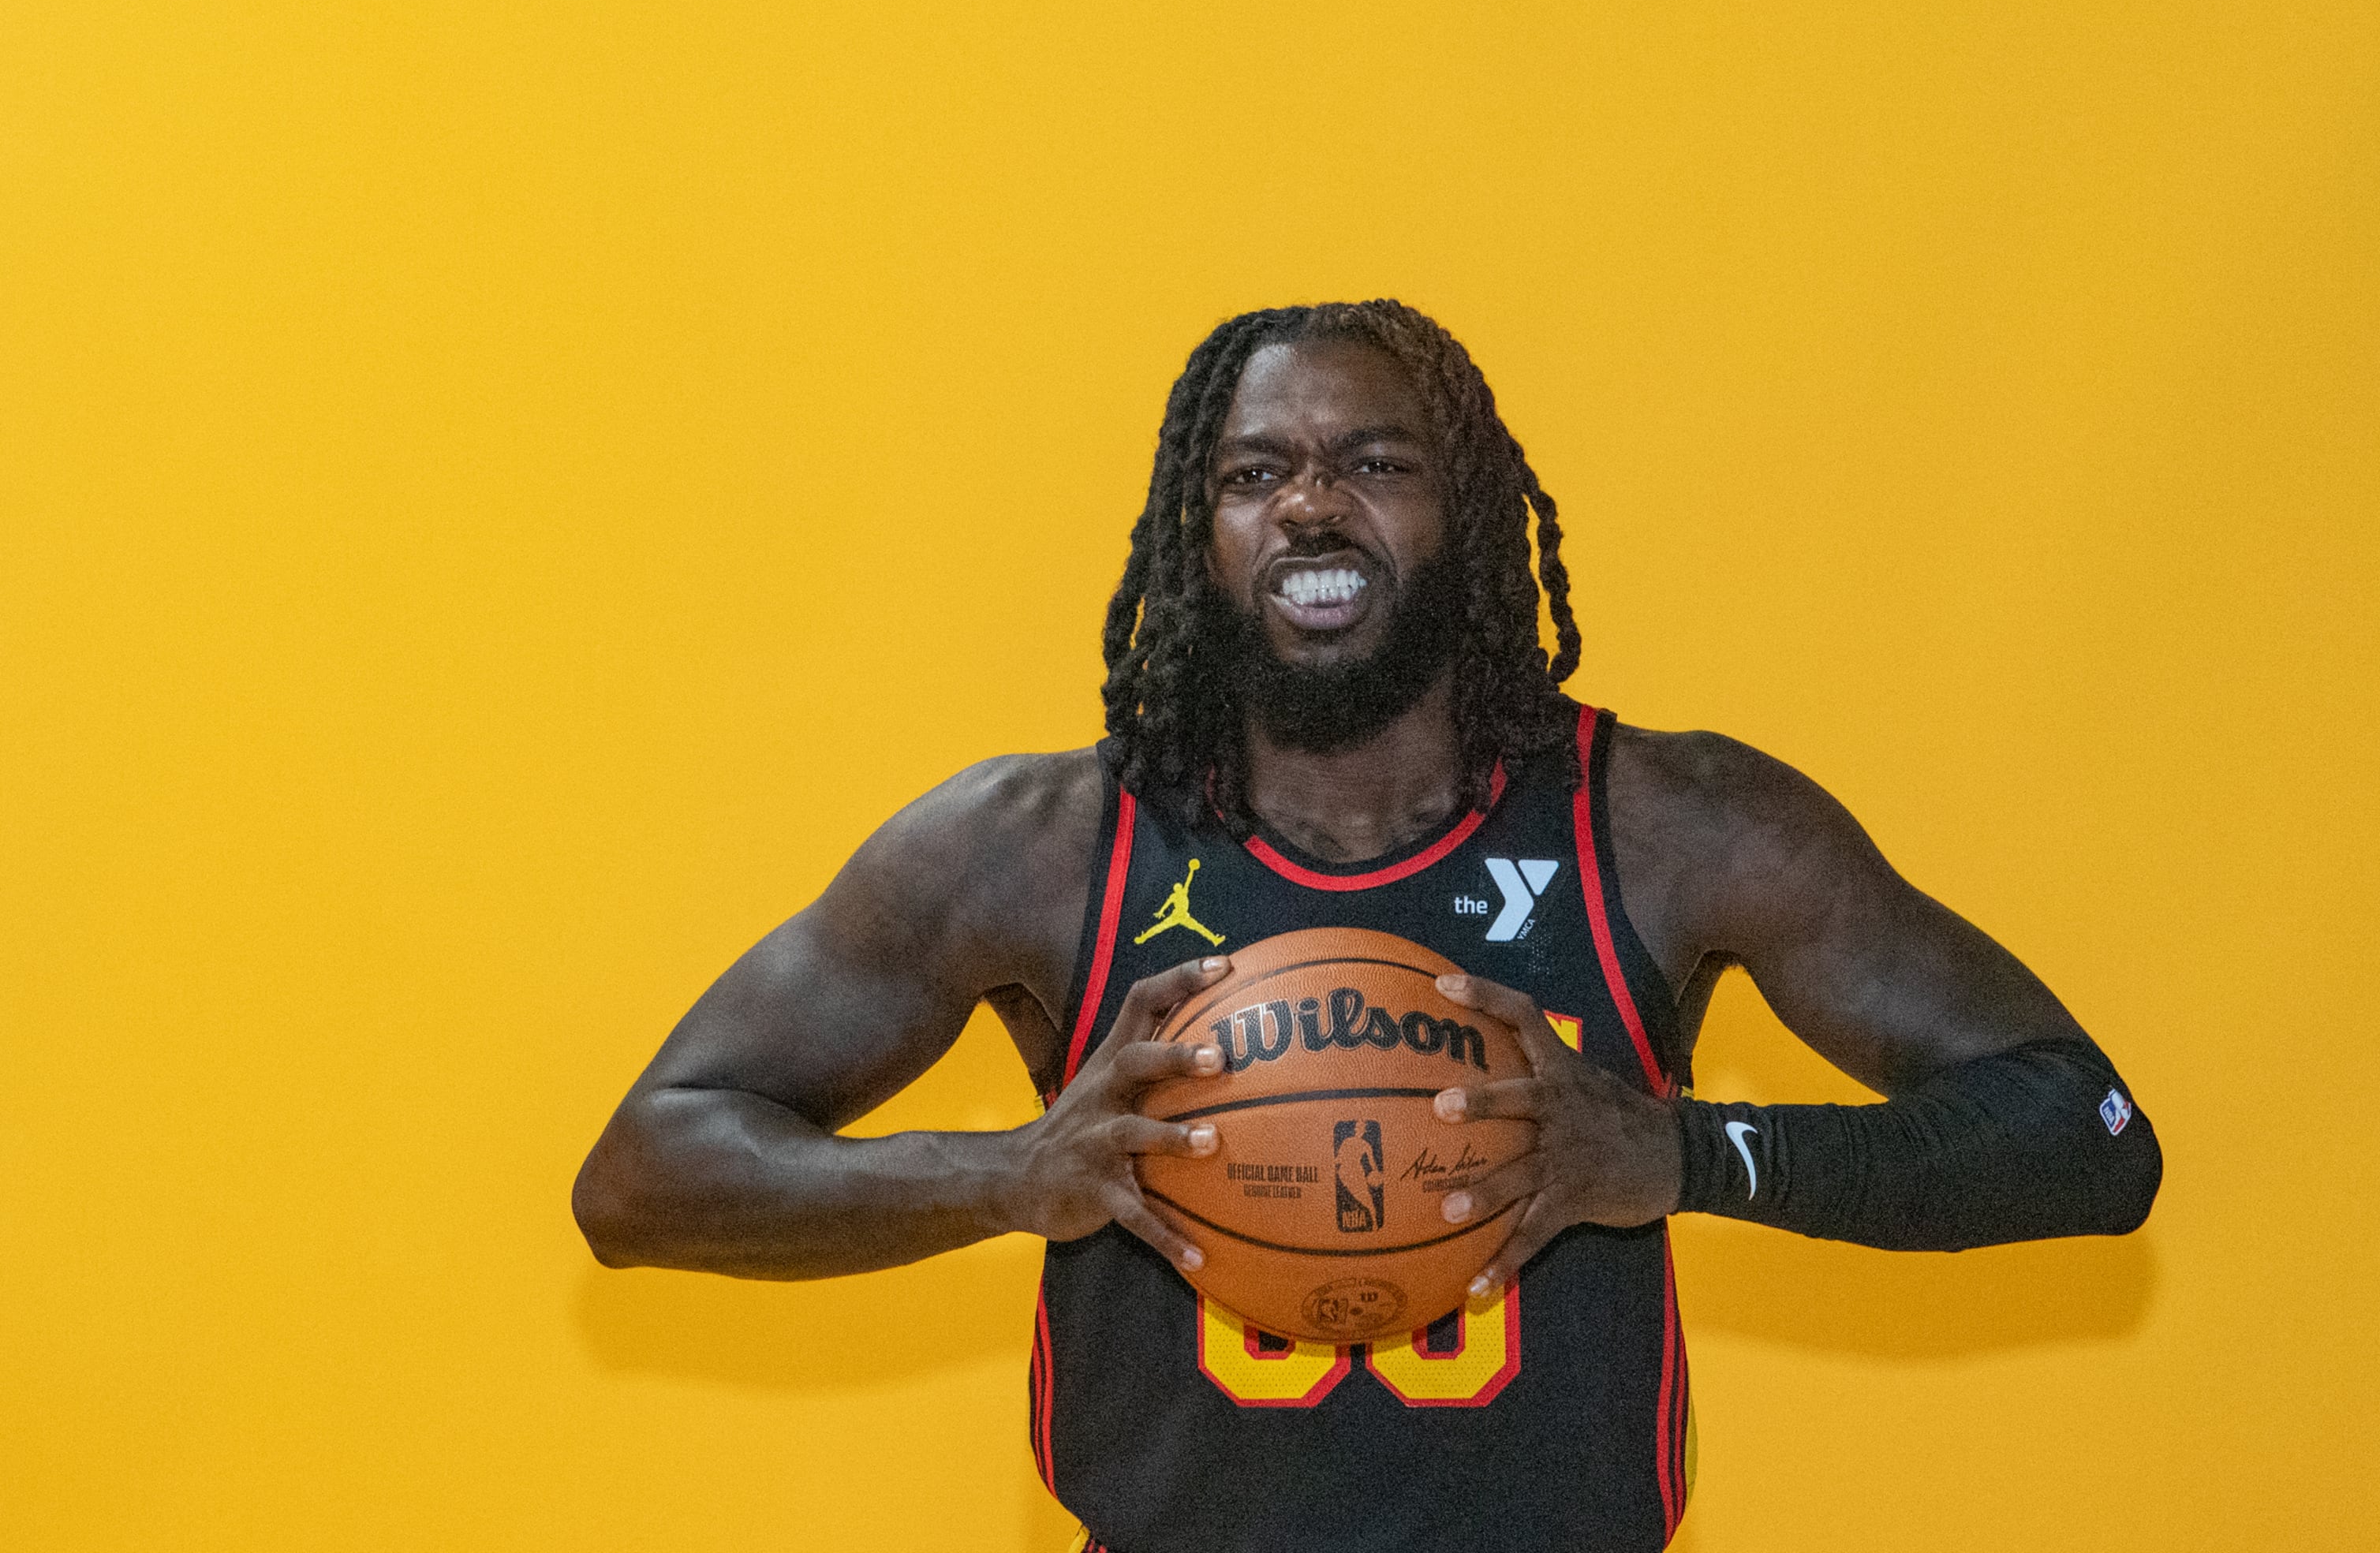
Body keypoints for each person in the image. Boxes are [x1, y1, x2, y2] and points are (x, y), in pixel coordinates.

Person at [573, 300, 2163, 1553]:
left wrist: (1685, 1154)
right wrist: (1001, 1172)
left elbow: (2086, 1134)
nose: (1311, 508)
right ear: (1200, 537)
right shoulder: (1039, 849)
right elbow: (645, 1172)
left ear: (1464, 516)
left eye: (1375, 464)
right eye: (1254, 474)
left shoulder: (1673, 825)